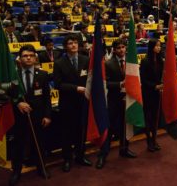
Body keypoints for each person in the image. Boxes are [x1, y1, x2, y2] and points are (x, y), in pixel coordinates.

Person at [8, 45, 52, 186]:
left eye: (31, 55)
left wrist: (48, 116)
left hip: (39, 117)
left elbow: (47, 98)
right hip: (19, 116)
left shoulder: (43, 74)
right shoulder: (13, 76)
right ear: (20, 59)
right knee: (18, 145)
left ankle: (41, 168)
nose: (28, 58)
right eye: (25, 55)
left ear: (35, 57)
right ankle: (16, 171)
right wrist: (18, 103)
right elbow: (7, 96)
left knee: (40, 143)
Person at [53, 34, 92, 172]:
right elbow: (58, 84)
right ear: (65, 46)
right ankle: (67, 159)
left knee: (81, 131)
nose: (73, 45)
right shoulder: (59, 63)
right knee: (67, 133)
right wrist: (76, 88)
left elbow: (90, 79)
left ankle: (80, 156)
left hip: (83, 103)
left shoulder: (86, 60)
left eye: (75, 42)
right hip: (67, 103)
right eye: (70, 43)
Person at [96, 39, 136, 169]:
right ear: (114, 49)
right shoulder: (108, 64)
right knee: (110, 129)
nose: (121, 50)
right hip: (114, 101)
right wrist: (120, 84)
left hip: (128, 100)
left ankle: (124, 149)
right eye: (118, 48)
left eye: (123, 47)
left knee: (125, 127)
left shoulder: (131, 63)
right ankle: (103, 155)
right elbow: (105, 83)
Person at [140, 39, 163, 152]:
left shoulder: (160, 61)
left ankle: (154, 139)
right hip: (148, 93)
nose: (159, 48)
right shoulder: (145, 61)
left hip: (157, 93)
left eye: (160, 46)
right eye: (157, 46)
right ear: (151, 47)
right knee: (148, 118)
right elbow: (143, 80)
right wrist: (155, 86)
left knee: (155, 118)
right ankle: (149, 140)